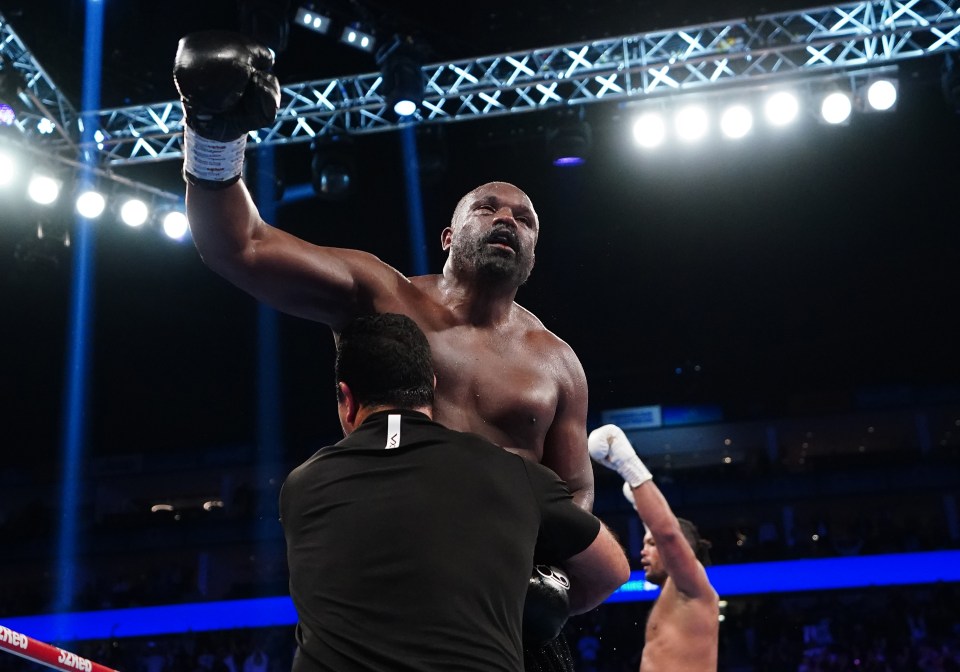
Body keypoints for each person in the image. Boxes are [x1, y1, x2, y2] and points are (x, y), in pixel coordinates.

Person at [174, 31, 594, 670]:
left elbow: (575, 493)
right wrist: (211, 135)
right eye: (489, 208)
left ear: (534, 253)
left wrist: (554, 578)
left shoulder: (557, 362)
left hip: (498, 612)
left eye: (525, 218)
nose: (508, 218)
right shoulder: (380, 293)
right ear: (450, 235)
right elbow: (241, 247)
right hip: (386, 580)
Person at [279, 313, 630, 671]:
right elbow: (612, 570)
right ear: (432, 385)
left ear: (347, 399)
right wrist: (521, 608)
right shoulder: (512, 473)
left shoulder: (300, 487)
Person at [587, 424, 719, 672]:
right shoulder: (677, 595)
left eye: (650, 544)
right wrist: (640, 504)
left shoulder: (693, 587)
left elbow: (667, 534)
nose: (642, 551)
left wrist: (627, 464)